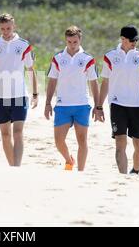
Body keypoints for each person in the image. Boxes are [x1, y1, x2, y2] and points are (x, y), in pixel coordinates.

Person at [0, 13, 38, 167]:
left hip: (19, 95)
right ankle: (12, 166)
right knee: (5, 135)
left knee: (18, 132)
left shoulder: (23, 45)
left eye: (8, 28)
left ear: (14, 26)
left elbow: (31, 70)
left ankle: (17, 166)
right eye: (2, 29)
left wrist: (35, 93)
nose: (5, 31)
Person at [95, 25, 139, 175]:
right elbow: (105, 82)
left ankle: (135, 171)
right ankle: (123, 177)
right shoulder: (110, 56)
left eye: (136, 40)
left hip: (137, 105)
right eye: (132, 40)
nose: (135, 43)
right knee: (120, 142)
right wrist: (99, 107)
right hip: (117, 104)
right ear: (123, 39)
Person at [44, 26, 99, 171]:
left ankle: (81, 171)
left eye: (75, 42)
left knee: (82, 140)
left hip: (82, 104)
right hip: (63, 105)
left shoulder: (87, 59)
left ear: (80, 40)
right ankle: (69, 160)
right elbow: (52, 81)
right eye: (69, 42)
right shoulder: (58, 58)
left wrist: (98, 105)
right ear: (65, 40)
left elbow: (94, 83)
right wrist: (48, 103)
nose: (72, 45)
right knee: (58, 141)